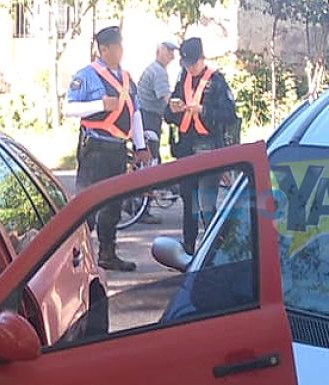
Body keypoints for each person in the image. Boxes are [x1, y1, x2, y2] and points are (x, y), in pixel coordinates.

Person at [66, 25, 150, 271]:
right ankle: (73, 256)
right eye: (117, 47)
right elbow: (70, 108)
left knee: (113, 205)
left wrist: (140, 145)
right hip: (95, 149)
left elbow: (135, 113)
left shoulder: (126, 78)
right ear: (103, 49)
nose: (121, 51)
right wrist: (98, 104)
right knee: (87, 206)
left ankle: (107, 253)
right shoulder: (86, 75)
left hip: (117, 149)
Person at [166, 37, 239, 255]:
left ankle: (216, 249)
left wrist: (202, 111)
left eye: (193, 63)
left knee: (206, 203)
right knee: (188, 201)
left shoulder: (216, 81)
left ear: (202, 59)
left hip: (209, 146)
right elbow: (168, 115)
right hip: (186, 147)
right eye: (186, 63)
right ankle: (188, 248)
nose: (190, 67)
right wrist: (173, 109)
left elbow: (229, 115)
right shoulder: (182, 79)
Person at [134, 40, 179, 163]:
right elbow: (168, 99)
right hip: (149, 118)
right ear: (159, 51)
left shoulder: (153, 68)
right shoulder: (159, 72)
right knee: (151, 157)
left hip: (142, 116)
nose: (172, 56)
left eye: (173, 52)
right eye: (169, 51)